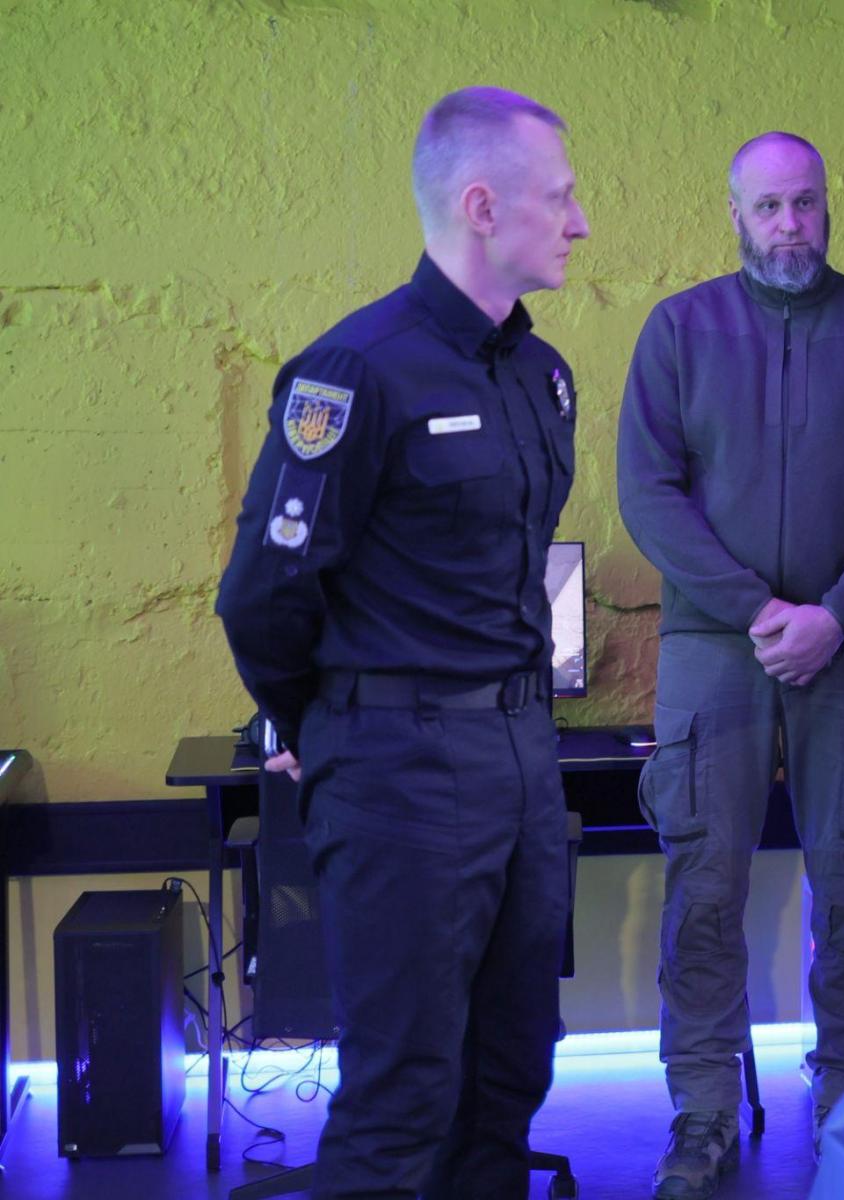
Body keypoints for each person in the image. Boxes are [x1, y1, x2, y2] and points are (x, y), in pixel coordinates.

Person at [215, 86, 589, 1198]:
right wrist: (317, 721)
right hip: (400, 770)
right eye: (560, 198)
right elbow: (264, 594)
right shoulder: (354, 373)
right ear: (482, 206)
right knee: (403, 1095)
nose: (579, 223)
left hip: (522, 758)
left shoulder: (542, 376)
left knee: (511, 1072)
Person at [616, 130, 844, 1198]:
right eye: (768, 206)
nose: (790, 225)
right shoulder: (679, 331)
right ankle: (704, 1110)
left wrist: (838, 615)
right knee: (703, 889)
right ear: (735, 214)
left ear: (827, 205)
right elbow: (648, 495)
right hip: (716, 647)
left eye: (804, 202)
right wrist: (759, 610)